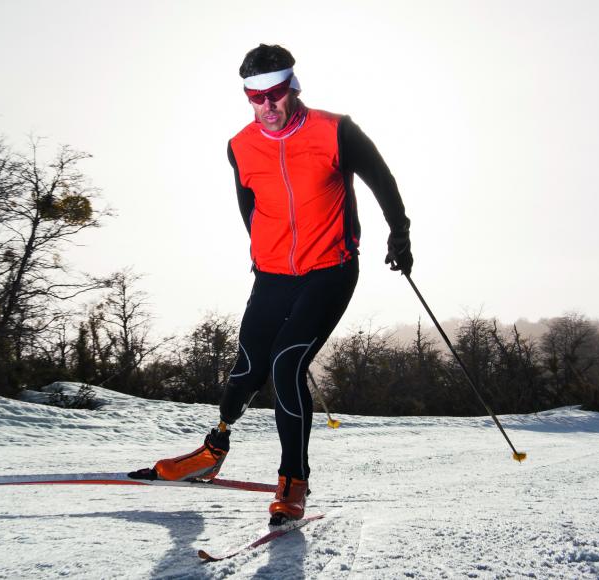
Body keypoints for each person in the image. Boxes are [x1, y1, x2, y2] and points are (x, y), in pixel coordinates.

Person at [134, 44, 413, 525]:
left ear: (293, 87)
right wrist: (268, 255)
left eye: (277, 94)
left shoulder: (336, 130)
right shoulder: (239, 146)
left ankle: (293, 480)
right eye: (256, 98)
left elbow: (382, 180)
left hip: (330, 269)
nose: (268, 107)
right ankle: (212, 449)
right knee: (246, 368)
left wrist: (399, 233)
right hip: (272, 275)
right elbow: (249, 207)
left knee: (286, 364)